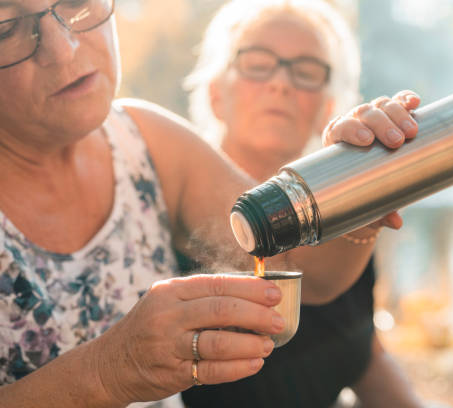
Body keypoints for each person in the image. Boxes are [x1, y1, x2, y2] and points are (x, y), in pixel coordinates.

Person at [0, 0, 420, 407]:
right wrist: (111, 370)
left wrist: (356, 190)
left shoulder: (146, 141)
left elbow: (298, 263)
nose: (63, 47)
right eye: (6, 27)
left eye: (75, 2)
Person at [180, 1, 425, 407]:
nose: (281, 83)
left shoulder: (347, 224)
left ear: (327, 109)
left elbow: (362, 354)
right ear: (216, 94)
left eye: (307, 71)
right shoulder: (169, 202)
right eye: (258, 63)